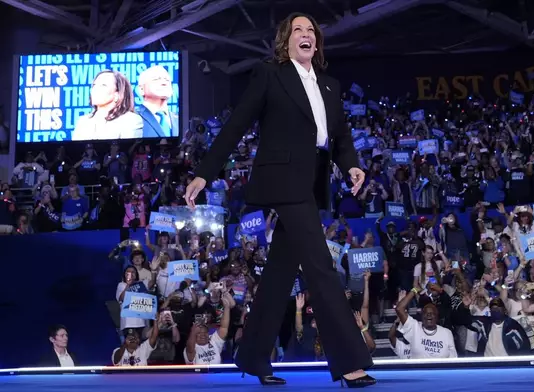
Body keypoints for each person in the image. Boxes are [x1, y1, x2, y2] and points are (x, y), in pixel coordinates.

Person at [184, 12, 375, 388]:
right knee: (320, 267)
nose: (306, 35)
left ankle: (253, 357)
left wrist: (351, 165)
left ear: (316, 43)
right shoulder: (271, 74)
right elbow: (237, 124)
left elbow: (338, 136)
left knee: (278, 275)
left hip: (312, 185)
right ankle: (351, 361)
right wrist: (205, 172)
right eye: (298, 30)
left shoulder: (331, 85)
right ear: (285, 41)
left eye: (311, 31)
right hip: (283, 183)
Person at [72, 70, 143, 141]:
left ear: (117, 95)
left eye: (103, 85)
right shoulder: (83, 121)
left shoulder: (130, 120)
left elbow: (128, 150)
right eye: (94, 85)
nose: (95, 89)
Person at [136, 66, 179, 138]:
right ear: (141, 89)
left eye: (167, 80)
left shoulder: (179, 119)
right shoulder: (132, 117)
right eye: (156, 79)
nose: (164, 83)